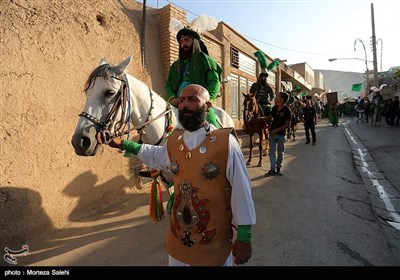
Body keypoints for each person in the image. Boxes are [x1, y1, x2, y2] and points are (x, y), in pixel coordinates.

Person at [108, 84, 256, 266]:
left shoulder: (226, 143)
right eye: (182, 100)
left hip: (213, 244)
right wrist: (124, 144)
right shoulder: (174, 141)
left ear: (208, 106)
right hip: (178, 241)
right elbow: (156, 156)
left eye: (193, 99)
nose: (184, 105)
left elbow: (242, 190)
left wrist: (244, 236)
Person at [165, 27, 222, 128]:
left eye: (187, 40)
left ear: (195, 42)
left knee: (211, 126)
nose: (183, 44)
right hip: (178, 101)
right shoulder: (175, 66)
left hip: (199, 101)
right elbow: (168, 85)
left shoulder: (206, 60)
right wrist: (172, 98)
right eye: (181, 41)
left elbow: (214, 81)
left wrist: (208, 100)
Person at [262, 91, 291, 177]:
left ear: (282, 99)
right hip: (272, 134)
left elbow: (287, 124)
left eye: (278, 96)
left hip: (281, 135)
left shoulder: (287, 110)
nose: (276, 97)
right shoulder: (274, 108)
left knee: (280, 152)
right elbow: (269, 117)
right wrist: (260, 119)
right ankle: (272, 169)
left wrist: (276, 130)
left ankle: (278, 168)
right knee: (272, 152)